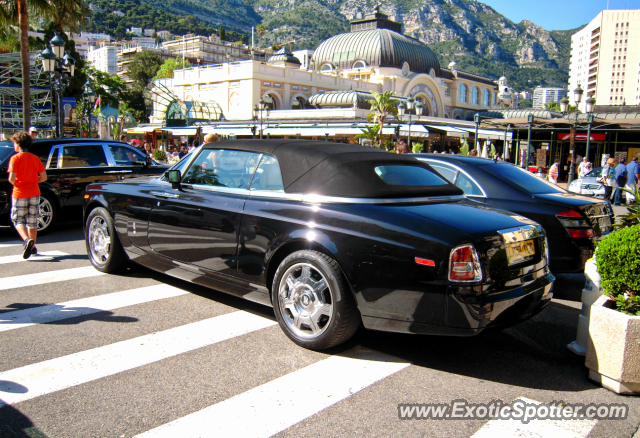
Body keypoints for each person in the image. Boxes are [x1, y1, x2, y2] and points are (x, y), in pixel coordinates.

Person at [7, 132, 47, 259]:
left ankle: (26, 240)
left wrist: (20, 183)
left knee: (18, 220)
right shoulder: (35, 158)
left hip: (19, 193)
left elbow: (11, 179)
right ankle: (33, 246)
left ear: (18, 144)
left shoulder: (15, 158)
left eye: (14, 143)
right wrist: (33, 181)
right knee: (32, 221)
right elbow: (44, 177)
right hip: (34, 192)